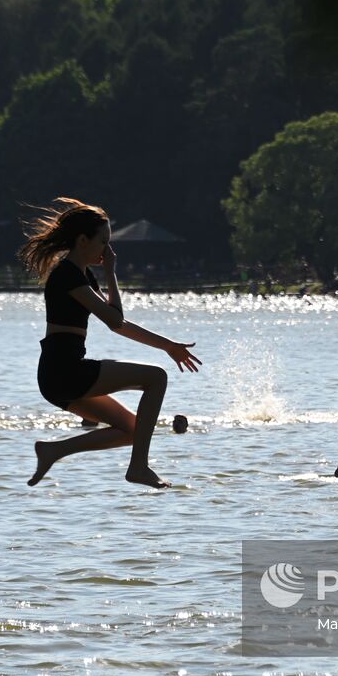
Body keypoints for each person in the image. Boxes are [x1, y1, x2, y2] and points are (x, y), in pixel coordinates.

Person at [19, 198, 201, 489]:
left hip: (59, 376)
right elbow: (116, 322)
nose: (108, 250)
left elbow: (117, 319)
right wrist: (168, 346)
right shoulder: (67, 275)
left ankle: (54, 450)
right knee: (156, 377)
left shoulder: (83, 275)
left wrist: (110, 273)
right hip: (64, 372)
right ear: (82, 240)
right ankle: (139, 467)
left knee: (131, 430)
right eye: (103, 241)